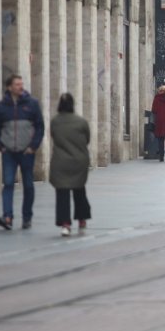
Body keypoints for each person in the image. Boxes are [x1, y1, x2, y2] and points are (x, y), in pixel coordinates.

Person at [0, 74, 45, 230]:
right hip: (8, 151)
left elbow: (40, 126)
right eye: (17, 84)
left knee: (28, 185)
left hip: (26, 151)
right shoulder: (2, 106)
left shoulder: (32, 104)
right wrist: (0, 144)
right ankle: (7, 217)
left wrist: (33, 146)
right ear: (9, 87)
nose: (20, 87)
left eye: (21, 84)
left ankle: (27, 216)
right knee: (8, 183)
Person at [49, 93, 91, 237]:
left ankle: (65, 224)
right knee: (79, 190)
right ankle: (82, 219)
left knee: (62, 192)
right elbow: (87, 139)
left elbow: (53, 136)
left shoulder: (55, 122)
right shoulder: (81, 122)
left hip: (60, 161)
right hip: (79, 161)